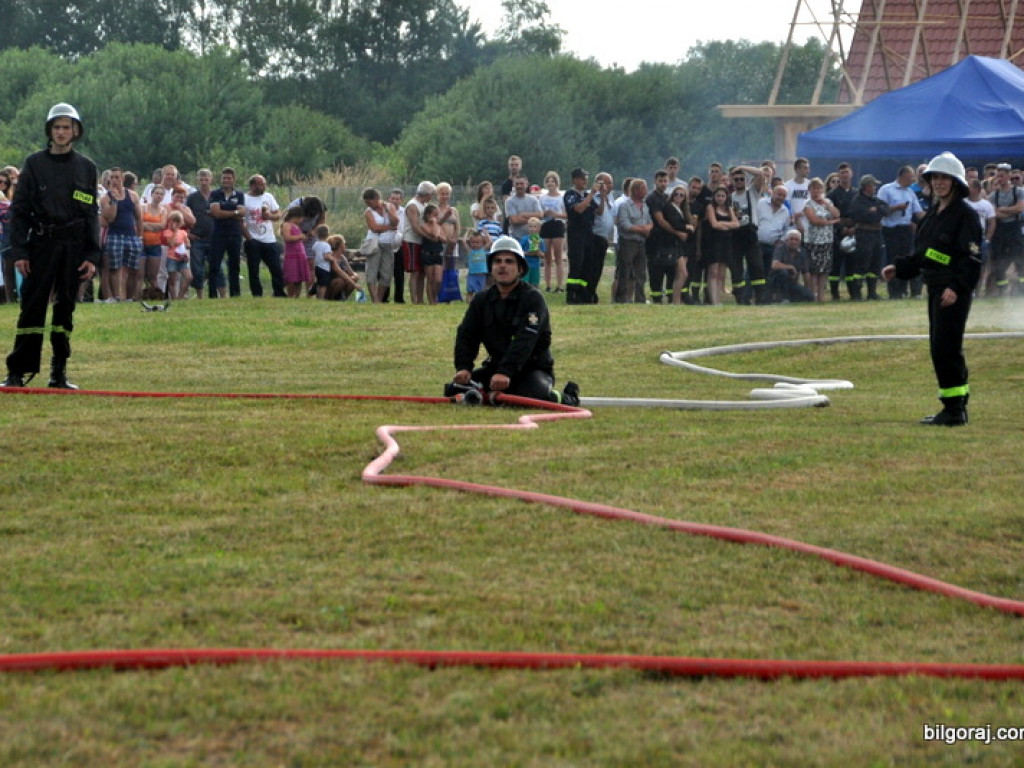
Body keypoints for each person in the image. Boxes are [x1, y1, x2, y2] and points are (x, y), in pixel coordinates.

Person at [2, 103, 100, 389]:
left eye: (66, 127)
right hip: (41, 245)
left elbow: (89, 213)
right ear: (50, 131)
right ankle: (17, 372)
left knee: (65, 310)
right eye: (56, 127)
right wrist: (19, 251)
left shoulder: (86, 168)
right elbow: (18, 211)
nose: (61, 132)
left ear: (75, 131)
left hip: (73, 246)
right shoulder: (34, 164)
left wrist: (92, 255)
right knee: (32, 309)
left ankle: (58, 373)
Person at [882, 152, 983, 427]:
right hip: (936, 288)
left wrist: (956, 287)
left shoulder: (966, 215)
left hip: (952, 291)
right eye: (935, 177)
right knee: (940, 348)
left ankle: (954, 411)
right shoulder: (932, 215)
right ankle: (955, 406)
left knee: (946, 348)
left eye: (945, 178)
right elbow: (925, 254)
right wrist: (899, 268)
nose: (939, 182)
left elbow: (970, 258)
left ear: (956, 183)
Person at [448, 235, 579, 406]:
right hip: (496, 369)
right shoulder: (481, 300)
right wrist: (463, 367)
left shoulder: (533, 299)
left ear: (520, 269)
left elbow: (525, 339)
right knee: (453, 390)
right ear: (491, 267)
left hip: (532, 369)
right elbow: (467, 335)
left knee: (527, 397)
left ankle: (566, 397)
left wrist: (506, 372)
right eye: (497, 261)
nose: (502, 266)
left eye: (509, 261)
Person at [878, 165, 924, 299]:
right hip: (891, 230)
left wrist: (932, 218)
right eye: (911, 176)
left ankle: (903, 290)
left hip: (906, 229)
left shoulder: (910, 192)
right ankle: (894, 291)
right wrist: (897, 207)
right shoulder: (886, 190)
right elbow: (881, 209)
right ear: (903, 176)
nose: (913, 179)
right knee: (893, 260)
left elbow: (918, 212)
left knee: (905, 260)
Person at [99, 167, 144, 303]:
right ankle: (117, 297)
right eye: (111, 178)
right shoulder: (105, 198)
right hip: (114, 235)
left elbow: (139, 218)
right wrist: (114, 200)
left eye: (117, 177)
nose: (114, 180)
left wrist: (140, 237)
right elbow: (110, 218)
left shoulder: (133, 196)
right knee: (115, 268)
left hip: (131, 236)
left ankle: (129, 298)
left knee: (133, 269)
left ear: (123, 179)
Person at [242, 174, 285, 298]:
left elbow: (278, 214)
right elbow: (240, 220)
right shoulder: (245, 199)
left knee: (276, 267)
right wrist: (248, 238)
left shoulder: (268, 197)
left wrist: (270, 216)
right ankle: (257, 294)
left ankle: (279, 292)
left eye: (264, 184)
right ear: (253, 185)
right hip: (253, 239)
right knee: (253, 269)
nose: (264, 187)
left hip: (269, 239)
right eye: (261, 184)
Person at [848, 174, 889, 301]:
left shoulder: (875, 200)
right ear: (867, 186)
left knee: (875, 264)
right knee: (862, 264)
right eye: (873, 185)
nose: (875, 188)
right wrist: (874, 213)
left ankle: (872, 292)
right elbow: (863, 216)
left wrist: (875, 210)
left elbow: (886, 209)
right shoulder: (857, 201)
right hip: (864, 235)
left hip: (876, 235)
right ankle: (856, 294)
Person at [208, 167, 246, 298]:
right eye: (224, 178)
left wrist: (225, 212)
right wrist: (234, 212)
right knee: (214, 265)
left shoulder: (239, 195)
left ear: (234, 180)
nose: (226, 180)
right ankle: (212, 295)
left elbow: (242, 213)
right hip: (219, 234)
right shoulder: (215, 194)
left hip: (235, 234)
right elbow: (215, 213)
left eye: (229, 178)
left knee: (234, 265)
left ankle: (235, 294)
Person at [801, 177, 840, 303]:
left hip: (827, 240)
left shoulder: (828, 201)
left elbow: (837, 214)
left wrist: (827, 204)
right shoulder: (808, 204)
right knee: (814, 270)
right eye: (813, 189)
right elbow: (815, 221)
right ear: (809, 190)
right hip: (813, 241)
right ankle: (813, 295)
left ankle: (821, 296)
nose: (816, 191)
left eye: (819, 188)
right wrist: (831, 222)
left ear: (823, 189)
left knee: (824, 270)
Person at [614, 178, 652, 303]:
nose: (646, 191)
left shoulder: (645, 206)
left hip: (641, 243)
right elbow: (625, 225)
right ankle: (621, 298)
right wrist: (643, 229)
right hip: (627, 242)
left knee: (641, 272)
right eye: (643, 188)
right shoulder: (624, 206)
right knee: (624, 271)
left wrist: (648, 228)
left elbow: (650, 222)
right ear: (635, 190)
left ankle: (640, 298)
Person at [361, 187, 399, 303]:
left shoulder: (389, 206)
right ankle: (374, 298)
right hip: (374, 243)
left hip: (388, 243)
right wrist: (390, 228)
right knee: (372, 271)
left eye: (370, 202)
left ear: (377, 198)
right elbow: (375, 228)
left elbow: (396, 221)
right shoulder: (368, 212)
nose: (369, 205)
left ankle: (379, 297)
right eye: (366, 203)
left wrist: (388, 211)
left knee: (386, 273)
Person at [705, 185, 739, 305]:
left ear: (726, 197)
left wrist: (723, 223)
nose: (720, 198)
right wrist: (728, 224)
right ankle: (713, 301)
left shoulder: (729, 209)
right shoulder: (710, 207)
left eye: (723, 196)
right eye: (718, 195)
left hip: (726, 243)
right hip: (714, 242)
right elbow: (714, 224)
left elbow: (736, 224)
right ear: (714, 197)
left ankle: (718, 299)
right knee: (713, 271)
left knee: (721, 272)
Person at [185, 169, 215, 299]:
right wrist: (188, 233)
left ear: (211, 179)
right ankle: (200, 295)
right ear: (198, 180)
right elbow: (185, 216)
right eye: (201, 179)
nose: (204, 182)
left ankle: (218, 294)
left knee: (216, 267)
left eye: (206, 179)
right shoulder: (192, 198)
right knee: (197, 269)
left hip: (214, 238)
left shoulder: (216, 196)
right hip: (197, 238)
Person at [768, 229, 815, 303]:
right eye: (791, 239)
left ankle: (791, 298)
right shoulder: (780, 249)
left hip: (792, 283)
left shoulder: (803, 253)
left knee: (809, 296)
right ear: (787, 240)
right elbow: (774, 265)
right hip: (776, 282)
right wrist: (790, 267)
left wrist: (809, 290)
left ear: (799, 242)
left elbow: (806, 273)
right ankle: (783, 298)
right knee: (783, 272)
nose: (794, 242)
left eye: (796, 240)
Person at [538, 171, 567, 292]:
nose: (550, 183)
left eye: (552, 181)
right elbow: (539, 213)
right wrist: (544, 214)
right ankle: (548, 285)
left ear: (557, 183)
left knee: (558, 257)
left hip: (557, 224)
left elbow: (567, 214)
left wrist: (556, 214)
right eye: (548, 181)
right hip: (545, 225)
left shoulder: (562, 197)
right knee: (547, 257)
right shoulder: (542, 198)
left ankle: (560, 285)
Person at [281, 207, 311, 298]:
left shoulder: (297, 226)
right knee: (292, 277)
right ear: (296, 216)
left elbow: (299, 238)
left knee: (299, 277)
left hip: (300, 254)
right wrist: (300, 237)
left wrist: (304, 238)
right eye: (301, 218)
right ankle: (290, 295)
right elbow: (287, 238)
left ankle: (297, 296)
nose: (302, 221)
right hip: (291, 255)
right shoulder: (286, 225)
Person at [161, 210, 192, 299]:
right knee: (172, 280)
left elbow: (188, 244)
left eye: (176, 221)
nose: (173, 223)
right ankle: (173, 298)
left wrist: (186, 246)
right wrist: (174, 232)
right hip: (172, 258)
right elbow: (170, 244)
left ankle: (180, 296)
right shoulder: (167, 232)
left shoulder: (183, 232)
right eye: (171, 221)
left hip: (181, 258)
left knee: (188, 277)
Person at [462, 228, 490, 301]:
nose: (475, 244)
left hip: (482, 275)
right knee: (470, 291)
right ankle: (469, 302)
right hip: (472, 275)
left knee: (482, 291)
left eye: (478, 242)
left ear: (482, 243)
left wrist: (485, 233)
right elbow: (463, 241)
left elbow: (490, 242)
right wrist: (467, 232)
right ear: (470, 243)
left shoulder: (483, 250)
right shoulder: (470, 251)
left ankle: (481, 303)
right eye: (473, 242)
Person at [519, 217, 544, 287]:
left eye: (535, 226)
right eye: (530, 226)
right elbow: (519, 251)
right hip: (526, 265)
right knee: (524, 283)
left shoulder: (540, 240)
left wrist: (538, 252)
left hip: (535, 266)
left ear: (539, 228)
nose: (532, 228)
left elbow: (543, 254)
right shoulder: (524, 239)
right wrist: (528, 253)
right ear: (527, 228)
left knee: (535, 284)